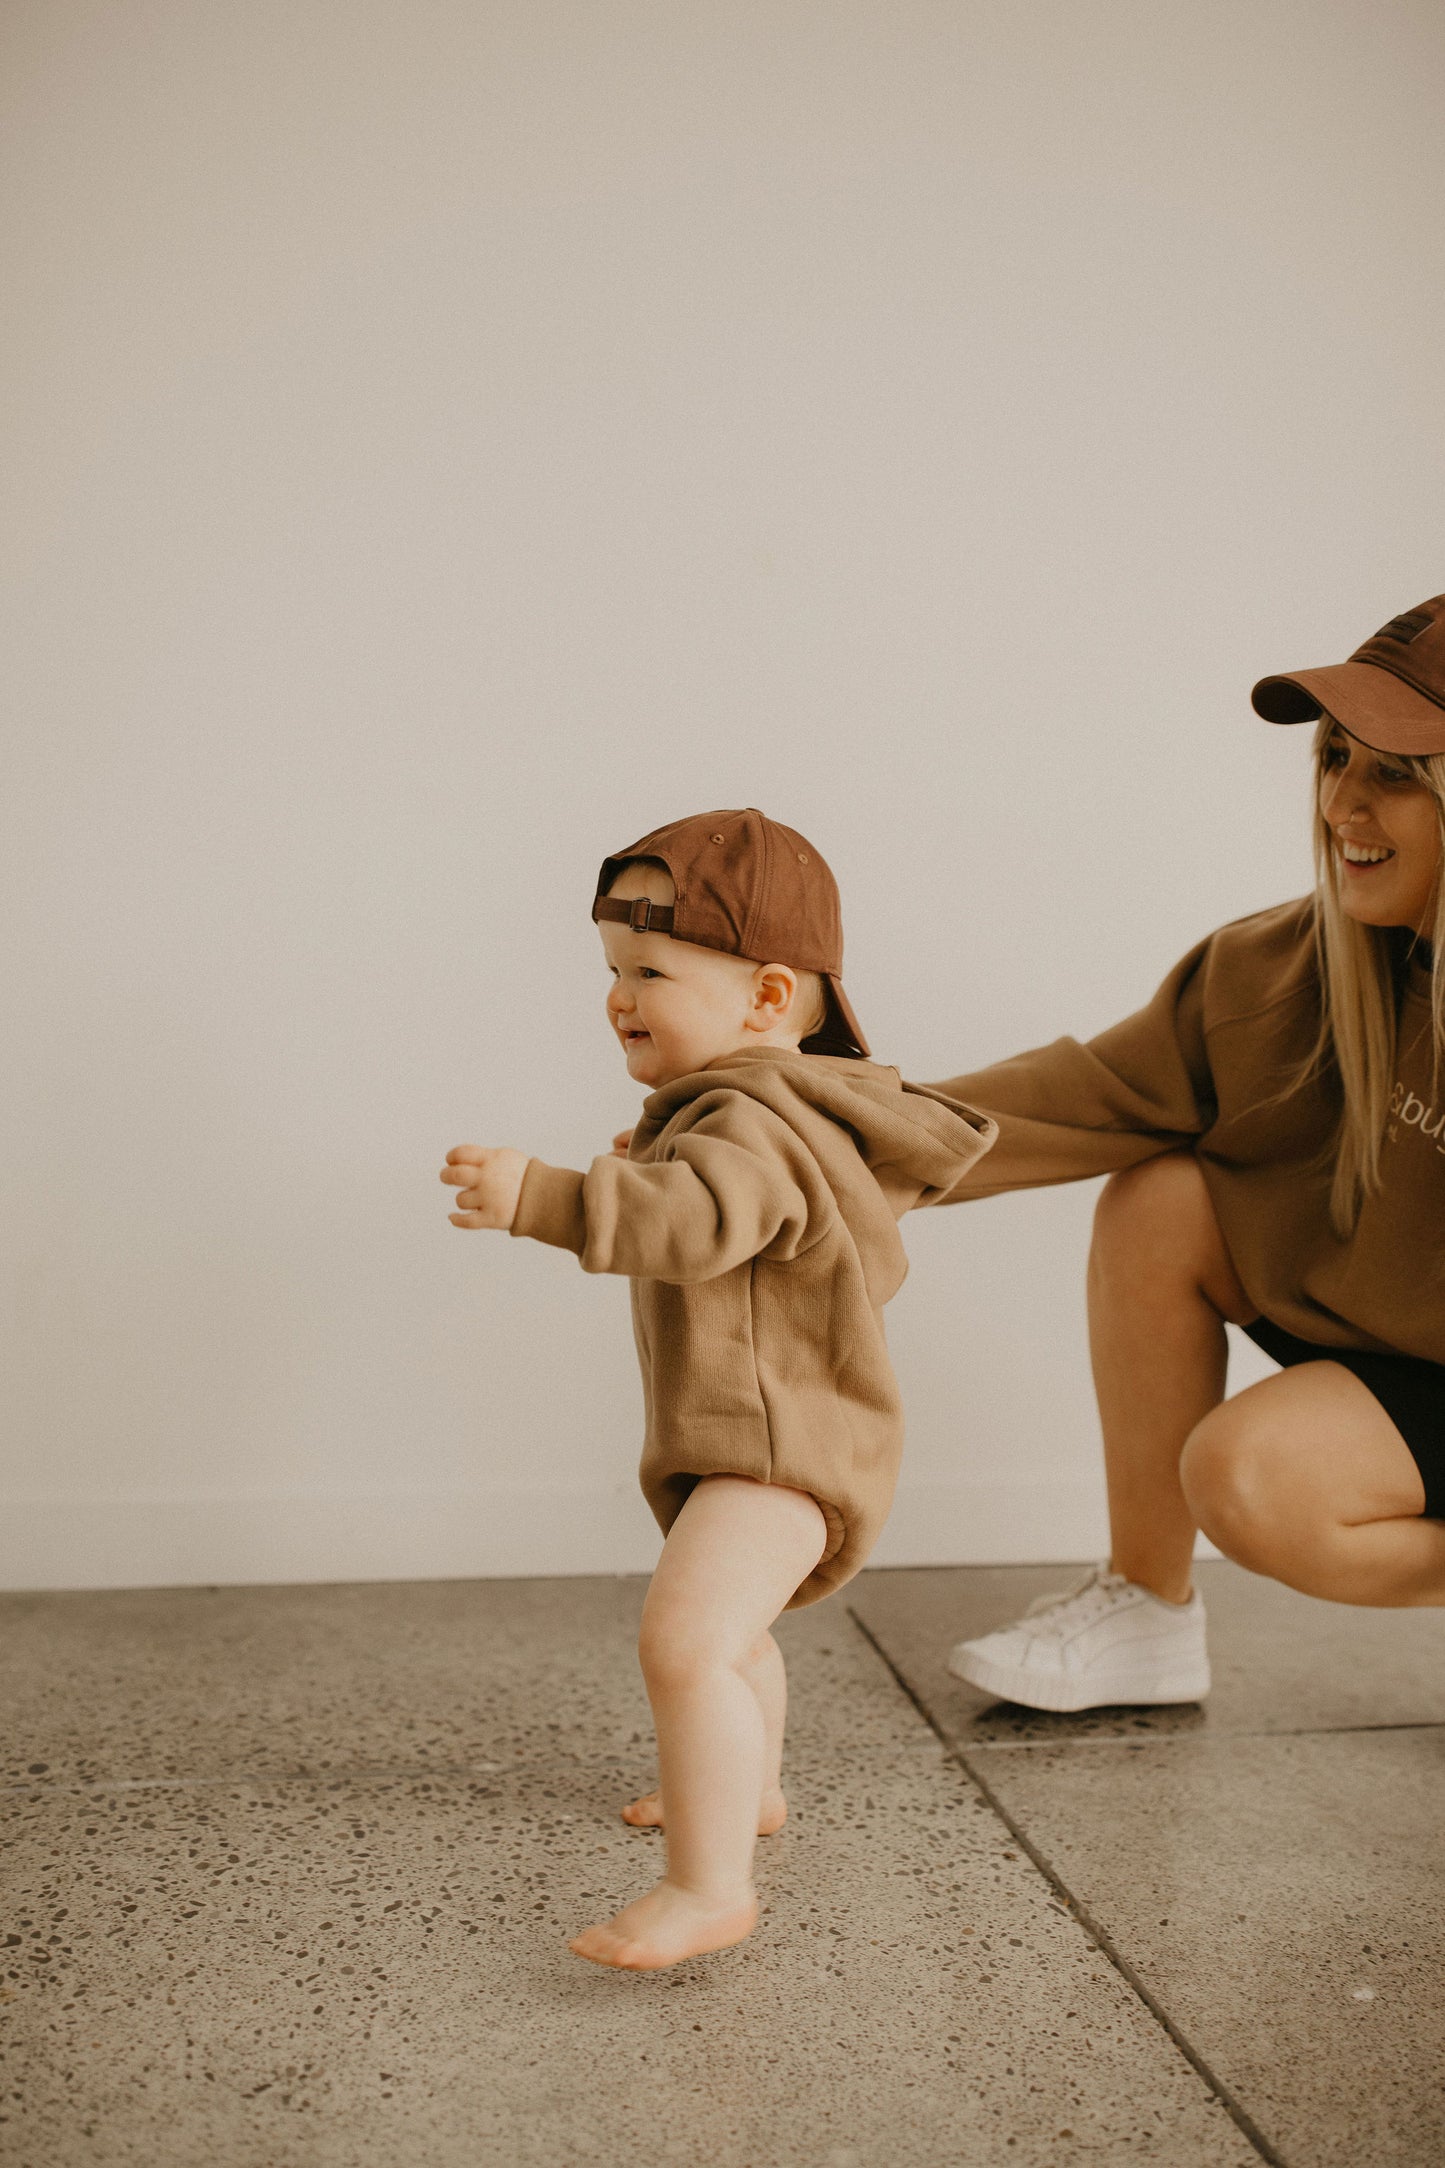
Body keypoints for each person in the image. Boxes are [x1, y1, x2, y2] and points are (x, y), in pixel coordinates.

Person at [440, 809, 993, 1968]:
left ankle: (706, 1886)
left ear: (766, 998)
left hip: (774, 1450)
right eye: (611, 969)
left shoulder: (746, 1117)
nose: (619, 994)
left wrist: (543, 1195)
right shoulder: (762, 1112)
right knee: (734, 1639)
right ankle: (749, 1793)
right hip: (778, 1436)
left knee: (684, 1640)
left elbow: (691, 1223)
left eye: (650, 969)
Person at [933, 593, 1445, 1713]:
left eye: (1396, 772)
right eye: (1332, 758)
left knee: (1249, 1475)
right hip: (1401, 1349)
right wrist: (786, 1135)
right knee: (1158, 1199)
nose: (1340, 805)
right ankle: (1143, 1612)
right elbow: (1077, 1099)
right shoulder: (1282, 966)